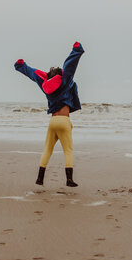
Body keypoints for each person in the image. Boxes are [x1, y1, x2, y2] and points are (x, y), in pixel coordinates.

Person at [14, 42, 85, 187]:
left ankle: (40, 178)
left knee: (47, 149)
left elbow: (34, 75)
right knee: (68, 150)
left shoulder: (45, 85)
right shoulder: (65, 81)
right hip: (64, 122)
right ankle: (69, 180)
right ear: (61, 76)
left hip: (53, 122)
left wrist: (21, 66)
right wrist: (76, 50)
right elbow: (70, 66)